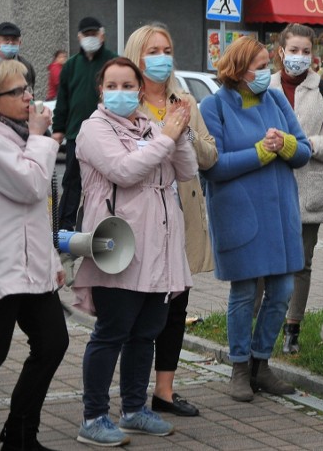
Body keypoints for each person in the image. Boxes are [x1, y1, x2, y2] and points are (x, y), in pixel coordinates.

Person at [73, 57, 197, 446]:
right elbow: (124, 171)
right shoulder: (93, 129)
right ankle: (93, 417)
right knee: (112, 332)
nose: (122, 92)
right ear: (101, 90)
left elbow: (188, 170)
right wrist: (166, 138)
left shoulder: (150, 126)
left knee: (146, 332)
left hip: (159, 247)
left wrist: (179, 133)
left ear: (141, 91)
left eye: (129, 86)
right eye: (114, 85)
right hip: (120, 245)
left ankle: (133, 410)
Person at [199, 36, 311, 402]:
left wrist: (286, 145)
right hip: (240, 214)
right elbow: (214, 166)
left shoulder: (276, 98)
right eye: (261, 67)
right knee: (245, 291)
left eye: (268, 66)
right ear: (239, 69)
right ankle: (239, 368)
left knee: (281, 290)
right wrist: (261, 152)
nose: (268, 73)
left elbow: (304, 150)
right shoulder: (213, 106)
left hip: (280, 214)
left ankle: (262, 363)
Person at [124, 24, 218, 418]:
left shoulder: (185, 100)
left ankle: (164, 390)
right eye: (153, 51)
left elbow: (209, 156)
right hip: (143, 219)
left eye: (167, 49)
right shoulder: (125, 101)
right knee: (140, 309)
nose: (162, 58)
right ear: (136, 56)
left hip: (182, 215)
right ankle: (131, 395)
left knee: (176, 307)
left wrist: (187, 132)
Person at [0, 60, 69, 451]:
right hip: (3, 269)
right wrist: (43, 138)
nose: (28, 96)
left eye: (27, 87)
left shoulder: (24, 136)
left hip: (32, 266)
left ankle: (21, 435)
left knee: (53, 343)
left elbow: (39, 211)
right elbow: (30, 185)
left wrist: (53, 260)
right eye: (16, 92)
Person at [268, 24, 323, 356]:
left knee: (301, 262)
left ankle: (292, 327)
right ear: (280, 51)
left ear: (314, 55)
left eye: (305, 52)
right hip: (269, 188)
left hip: (309, 187)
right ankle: (261, 323)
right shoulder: (264, 86)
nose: (299, 57)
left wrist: (304, 145)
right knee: (265, 260)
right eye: (293, 50)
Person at [52, 17, 117, 231]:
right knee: (71, 181)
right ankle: (64, 227)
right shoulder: (70, 65)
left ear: (102, 35)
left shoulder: (112, 62)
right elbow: (63, 100)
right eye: (86, 35)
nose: (90, 38)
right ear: (79, 37)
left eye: (93, 34)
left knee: (104, 181)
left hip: (106, 133)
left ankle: (102, 223)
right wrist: (58, 130)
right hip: (75, 134)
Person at [0, 22, 35, 90]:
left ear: (20, 43)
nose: (11, 43)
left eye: (14, 39)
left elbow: (30, 92)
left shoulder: (26, 66)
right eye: (6, 39)